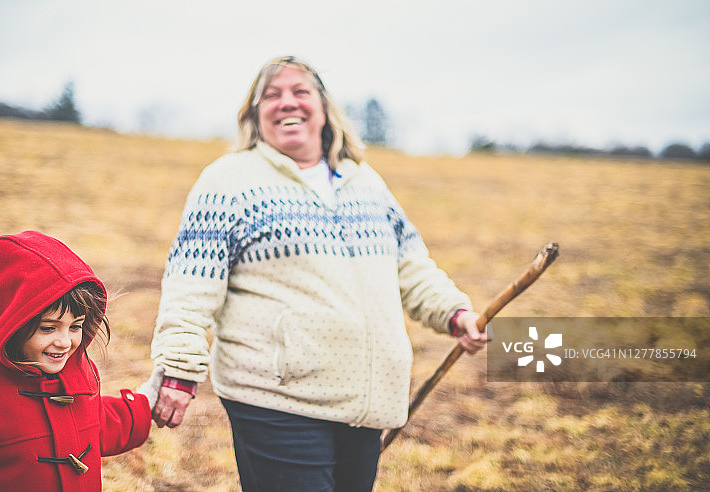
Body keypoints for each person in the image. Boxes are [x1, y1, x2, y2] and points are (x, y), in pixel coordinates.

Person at [138, 56, 489, 491]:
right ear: (254, 113)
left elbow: (411, 266)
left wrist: (456, 314)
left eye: (300, 92)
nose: (288, 103)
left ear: (323, 108)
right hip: (278, 399)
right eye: (272, 94)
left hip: (366, 401)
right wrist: (178, 369)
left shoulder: (365, 182)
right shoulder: (228, 181)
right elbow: (191, 286)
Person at [0, 231, 152, 492]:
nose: (65, 342)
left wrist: (148, 405)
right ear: (12, 324)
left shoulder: (78, 374)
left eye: (75, 327)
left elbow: (98, 424)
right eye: (49, 328)